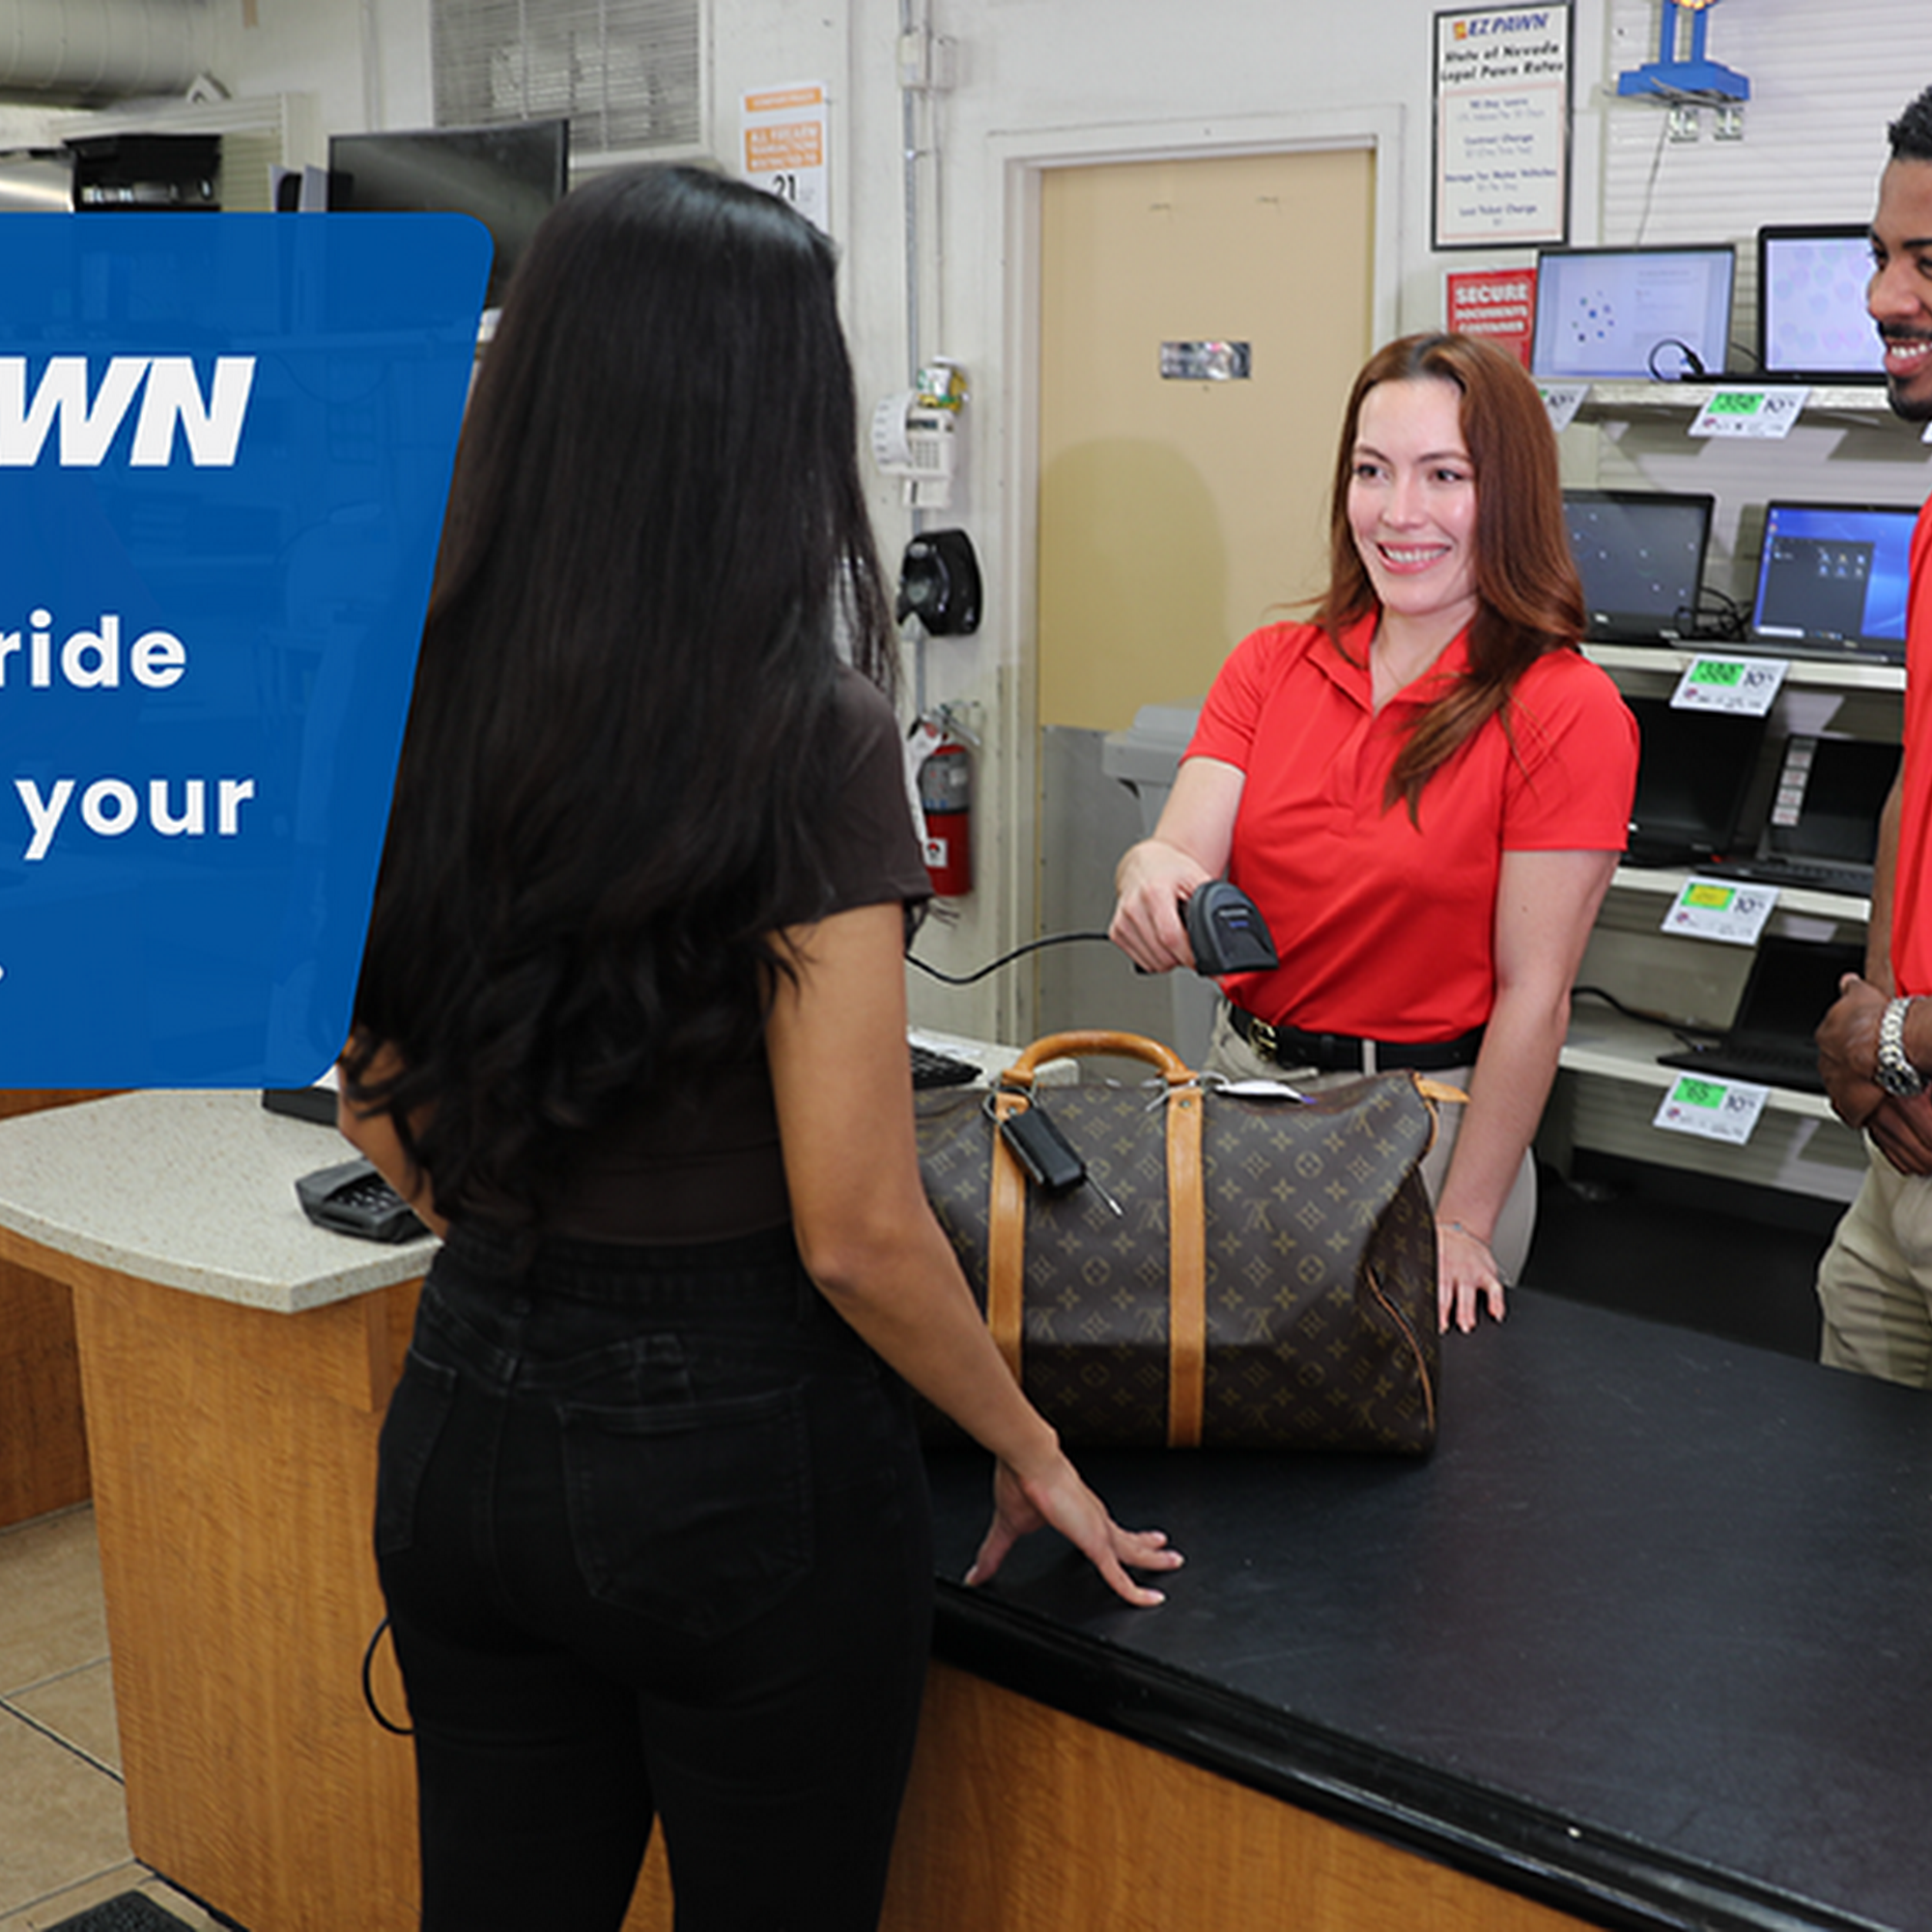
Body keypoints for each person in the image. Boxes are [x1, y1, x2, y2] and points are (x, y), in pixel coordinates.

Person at [336, 165, 1179, 1932]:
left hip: (469, 1415)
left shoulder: (400, 681)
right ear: (762, 421)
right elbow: (855, 1228)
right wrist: (1031, 1445)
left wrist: (538, 1271)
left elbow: (371, 1097)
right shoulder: (810, 731)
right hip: (736, 1462)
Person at [1110, 331, 1638, 1337]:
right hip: (1242, 1098)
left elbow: (1534, 997)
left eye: (1444, 475)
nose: (1398, 513)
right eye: (1371, 471)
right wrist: (1146, 870)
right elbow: (1179, 849)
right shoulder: (1272, 663)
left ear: (1510, 495)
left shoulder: (1563, 708)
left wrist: (1464, 1221)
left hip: (1426, 1132)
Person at [1812, 84, 1932, 1384]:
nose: (1881, 298)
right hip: (1902, 1158)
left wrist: (1897, 1043)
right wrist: (1880, 1032)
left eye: (1927, 262)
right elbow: (1915, 784)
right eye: (1879, 256)